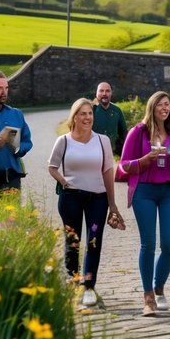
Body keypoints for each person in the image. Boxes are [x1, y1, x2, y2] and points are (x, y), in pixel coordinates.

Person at [119, 91, 170, 316]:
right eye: (160, 104)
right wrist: (144, 160)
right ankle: (148, 296)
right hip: (144, 191)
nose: (164, 108)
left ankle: (159, 286)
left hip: (168, 191)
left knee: (169, 244)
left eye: (167, 105)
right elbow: (123, 164)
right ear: (152, 107)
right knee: (148, 244)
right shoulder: (137, 132)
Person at [47, 98, 122, 308]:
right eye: (83, 114)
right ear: (75, 117)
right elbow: (52, 167)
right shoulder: (63, 141)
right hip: (71, 198)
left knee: (93, 242)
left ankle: (89, 286)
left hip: (97, 199)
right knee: (73, 242)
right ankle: (72, 283)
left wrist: (112, 203)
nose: (87, 117)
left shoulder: (102, 141)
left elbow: (108, 171)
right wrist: (64, 182)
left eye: (90, 113)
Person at [92, 81, 129, 155]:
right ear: (96, 93)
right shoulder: (91, 110)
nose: (104, 94)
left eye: (107, 91)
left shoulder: (117, 111)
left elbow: (124, 134)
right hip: (92, 152)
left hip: (110, 153)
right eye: (101, 91)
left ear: (111, 93)